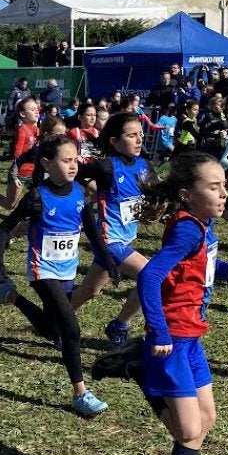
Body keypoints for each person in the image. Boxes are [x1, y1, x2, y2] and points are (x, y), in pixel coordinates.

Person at [95, 151, 228, 455]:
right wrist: (159, 330)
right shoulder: (186, 229)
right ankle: (139, 369)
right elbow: (150, 276)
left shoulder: (202, 225)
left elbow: (193, 267)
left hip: (191, 336)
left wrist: (225, 270)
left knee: (205, 420)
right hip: (173, 337)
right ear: (186, 194)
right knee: (188, 429)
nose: (223, 193)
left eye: (224, 185)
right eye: (213, 187)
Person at [0, 135, 112, 417]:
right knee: (71, 329)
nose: (73, 166)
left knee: (50, 328)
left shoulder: (79, 192)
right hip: (43, 271)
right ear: (46, 163)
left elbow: (91, 230)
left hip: (67, 271)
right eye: (65, 160)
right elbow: (3, 229)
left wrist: (108, 261)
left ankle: (12, 296)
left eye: (75, 160)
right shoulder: (37, 197)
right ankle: (81, 393)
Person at [70, 112, 151, 346]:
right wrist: (86, 191)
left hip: (126, 239)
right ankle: (119, 325)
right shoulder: (106, 167)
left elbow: (156, 192)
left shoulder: (144, 164)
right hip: (108, 240)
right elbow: (76, 175)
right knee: (150, 276)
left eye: (141, 135)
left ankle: (54, 320)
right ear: (114, 141)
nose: (139, 140)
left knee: (90, 291)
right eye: (132, 135)